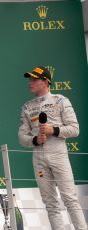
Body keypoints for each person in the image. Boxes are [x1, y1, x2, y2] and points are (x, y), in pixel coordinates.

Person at [18, 66, 87, 230]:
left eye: (34, 79)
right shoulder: (27, 107)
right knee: (50, 202)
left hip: (58, 155)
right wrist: (35, 139)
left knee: (70, 198)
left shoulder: (60, 100)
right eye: (30, 79)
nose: (30, 82)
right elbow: (22, 137)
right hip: (39, 158)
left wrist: (54, 130)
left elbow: (75, 129)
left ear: (46, 82)